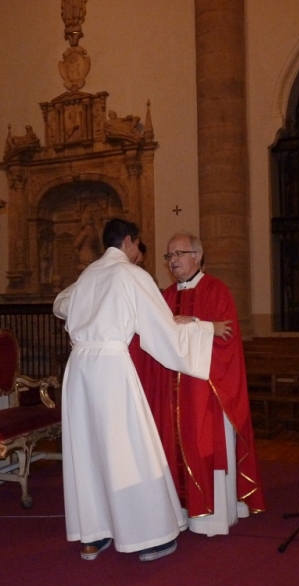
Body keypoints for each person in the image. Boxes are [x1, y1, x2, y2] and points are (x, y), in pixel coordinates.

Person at [53, 218, 232, 562]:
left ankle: (94, 535)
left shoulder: (89, 275)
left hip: (78, 368)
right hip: (110, 368)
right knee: (128, 450)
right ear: (130, 242)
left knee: (88, 450)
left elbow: (60, 305)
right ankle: (148, 536)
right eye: (139, 245)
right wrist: (204, 330)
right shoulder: (132, 275)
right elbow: (162, 331)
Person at [136, 233, 265, 536]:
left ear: (198, 256)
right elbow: (155, 338)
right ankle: (180, 511)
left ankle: (213, 517)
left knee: (205, 445)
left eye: (179, 253)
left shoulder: (216, 290)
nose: (173, 261)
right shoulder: (164, 297)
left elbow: (228, 337)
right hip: (172, 391)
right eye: (168, 256)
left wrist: (196, 324)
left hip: (206, 390)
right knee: (174, 446)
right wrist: (200, 326)